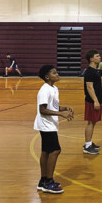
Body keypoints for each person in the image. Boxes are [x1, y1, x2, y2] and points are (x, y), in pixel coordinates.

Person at [34, 65, 74, 194]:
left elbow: (53, 106)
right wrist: (60, 114)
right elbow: (43, 110)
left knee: (46, 151)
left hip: (49, 124)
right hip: (46, 124)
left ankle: (43, 180)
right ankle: (49, 182)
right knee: (56, 150)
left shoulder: (54, 88)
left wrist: (63, 108)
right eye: (53, 73)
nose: (57, 74)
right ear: (47, 77)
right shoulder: (44, 90)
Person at [83, 50, 102, 155]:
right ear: (91, 59)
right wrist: (95, 101)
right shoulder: (90, 72)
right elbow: (89, 87)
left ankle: (89, 142)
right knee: (90, 122)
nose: (100, 57)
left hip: (97, 100)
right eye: (97, 56)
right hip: (92, 101)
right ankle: (87, 146)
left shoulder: (95, 71)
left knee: (93, 122)